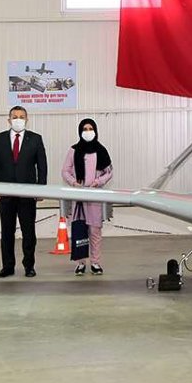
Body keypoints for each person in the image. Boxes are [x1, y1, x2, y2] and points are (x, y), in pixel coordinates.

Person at [0, 106, 48, 278]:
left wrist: (41, 188)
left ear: (27, 120)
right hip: (5, 194)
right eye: (15, 117)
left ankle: (29, 266)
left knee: (29, 232)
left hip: (27, 194)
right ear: (9, 120)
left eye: (22, 117)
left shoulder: (35, 139)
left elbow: (42, 166)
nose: (18, 119)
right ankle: (8, 266)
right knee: (7, 232)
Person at [62, 118, 114, 275]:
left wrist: (98, 182)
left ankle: (95, 263)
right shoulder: (73, 150)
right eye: (85, 129)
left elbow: (109, 172)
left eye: (91, 129)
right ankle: (80, 263)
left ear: (95, 131)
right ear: (80, 131)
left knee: (95, 231)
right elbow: (65, 171)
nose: (88, 132)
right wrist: (73, 182)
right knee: (79, 230)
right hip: (78, 197)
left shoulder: (101, 150)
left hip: (94, 197)